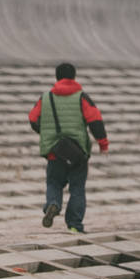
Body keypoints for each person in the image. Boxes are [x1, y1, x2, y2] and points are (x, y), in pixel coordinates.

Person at [28, 61, 108, 232]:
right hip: (77, 153)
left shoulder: (46, 97)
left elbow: (33, 118)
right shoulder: (81, 97)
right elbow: (95, 120)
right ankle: (74, 226)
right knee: (77, 188)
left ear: (57, 77)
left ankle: (53, 203)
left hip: (54, 152)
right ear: (74, 76)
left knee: (54, 183)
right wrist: (103, 143)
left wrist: (46, 133)